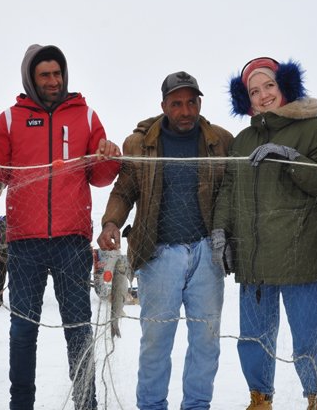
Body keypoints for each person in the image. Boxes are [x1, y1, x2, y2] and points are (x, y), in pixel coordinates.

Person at [0, 44, 120, 410]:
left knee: (78, 329)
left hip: (72, 243)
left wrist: (111, 155)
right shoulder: (11, 118)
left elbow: (100, 176)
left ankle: (86, 403)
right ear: (31, 78)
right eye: (44, 75)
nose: (53, 81)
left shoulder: (86, 116)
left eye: (57, 73)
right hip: (24, 243)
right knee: (23, 331)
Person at [97, 71, 233, 409]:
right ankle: (152, 405)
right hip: (157, 256)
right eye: (177, 103)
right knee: (156, 340)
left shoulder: (221, 140)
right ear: (163, 106)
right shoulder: (139, 144)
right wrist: (112, 221)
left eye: (192, 102)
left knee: (206, 339)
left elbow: (234, 192)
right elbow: (124, 189)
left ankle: (197, 405)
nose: (186, 110)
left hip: (207, 255)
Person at [213, 57, 317, 410]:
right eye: (254, 91)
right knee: (254, 338)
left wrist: (290, 156)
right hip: (254, 255)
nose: (263, 95)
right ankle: (259, 398)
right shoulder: (242, 140)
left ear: (284, 85)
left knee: (308, 337)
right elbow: (228, 190)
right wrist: (220, 230)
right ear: (246, 100)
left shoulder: (315, 130)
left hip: (302, 254)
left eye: (269, 85)